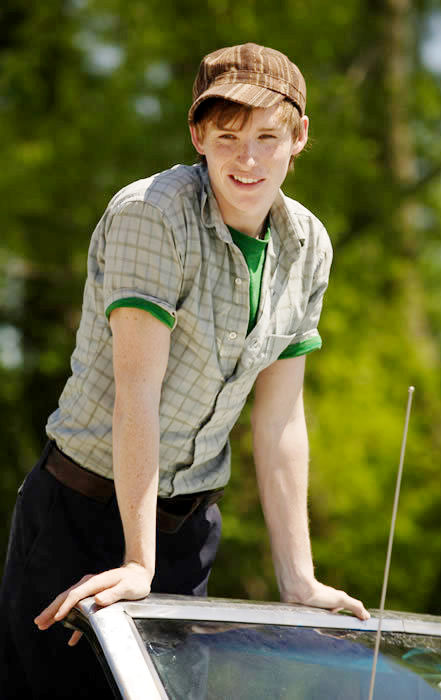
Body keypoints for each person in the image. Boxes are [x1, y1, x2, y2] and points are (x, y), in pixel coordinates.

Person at [0, 42, 369, 698]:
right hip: (79, 516)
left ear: (299, 137)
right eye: (226, 137)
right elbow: (136, 391)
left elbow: (280, 416)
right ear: (197, 135)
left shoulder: (308, 245)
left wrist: (299, 579)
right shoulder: (152, 213)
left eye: (266, 136)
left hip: (190, 530)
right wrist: (136, 562)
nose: (247, 159)